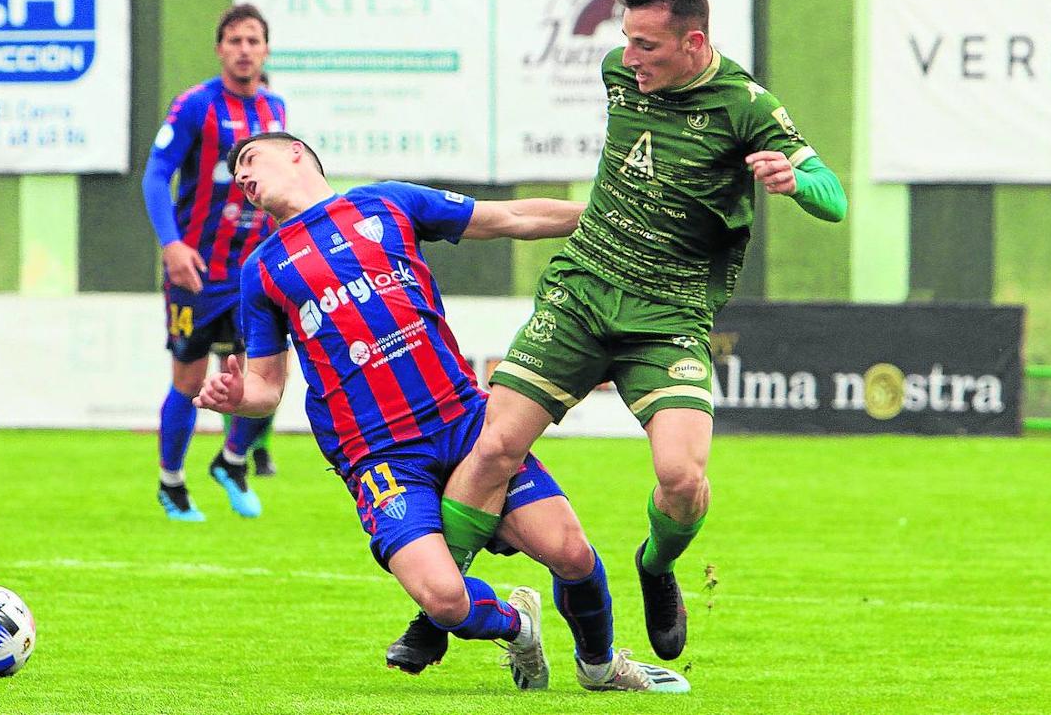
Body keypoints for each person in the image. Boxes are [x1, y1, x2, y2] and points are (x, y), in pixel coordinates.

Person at [436, 0, 849, 662]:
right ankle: (439, 605)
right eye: (626, 40)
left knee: (683, 481)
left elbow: (833, 196)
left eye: (647, 46)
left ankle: (655, 568)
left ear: (693, 43)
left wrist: (794, 180)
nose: (629, 58)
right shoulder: (618, 72)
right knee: (494, 448)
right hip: (584, 288)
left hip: (669, 313)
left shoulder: (747, 107)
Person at [193, 131, 691, 693]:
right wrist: (239, 401)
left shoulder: (384, 204)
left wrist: (614, 221)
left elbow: (512, 218)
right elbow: (265, 386)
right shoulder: (262, 270)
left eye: (251, 159)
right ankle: (519, 625)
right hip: (379, 455)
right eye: (236, 173)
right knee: (446, 600)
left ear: (296, 154)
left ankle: (600, 667)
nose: (243, 176)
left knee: (571, 553)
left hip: (464, 425)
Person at [141, 4, 285, 522]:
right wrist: (171, 244)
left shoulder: (276, 112)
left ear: (266, 49)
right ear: (220, 48)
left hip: (254, 273)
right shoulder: (194, 106)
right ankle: (172, 483)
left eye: (253, 40)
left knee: (264, 379)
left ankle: (231, 461)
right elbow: (156, 175)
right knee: (188, 378)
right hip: (196, 272)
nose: (244, 49)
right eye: (235, 41)